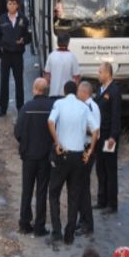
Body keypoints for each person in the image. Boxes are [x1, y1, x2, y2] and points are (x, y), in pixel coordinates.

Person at [47, 81, 98, 244]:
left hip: (63, 154)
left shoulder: (59, 103)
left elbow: (50, 122)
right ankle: (69, 233)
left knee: (54, 192)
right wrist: (90, 151)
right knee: (74, 195)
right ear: (76, 91)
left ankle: (56, 231)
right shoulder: (83, 107)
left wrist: (57, 142)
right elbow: (95, 130)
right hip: (78, 156)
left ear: (63, 91)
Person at [14, 78, 54, 236]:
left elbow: (18, 132)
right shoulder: (52, 108)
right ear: (46, 90)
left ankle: (24, 222)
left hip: (29, 156)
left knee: (27, 189)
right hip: (45, 156)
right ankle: (39, 226)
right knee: (42, 191)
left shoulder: (26, 108)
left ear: (35, 89)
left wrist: (25, 145)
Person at [0, 0, 31, 116]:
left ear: (17, 5)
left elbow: (29, 36)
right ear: (6, 5)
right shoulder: (1, 19)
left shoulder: (23, 19)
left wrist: (24, 40)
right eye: (9, 4)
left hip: (17, 55)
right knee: (3, 82)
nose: (11, 6)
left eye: (14, 4)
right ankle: (2, 108)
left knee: (19, 81)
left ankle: (20, 107)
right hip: (5, 55)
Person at [95, 62, 121, 215]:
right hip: (100, 136)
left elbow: (116, 116)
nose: (98, 75)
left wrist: (113, 136)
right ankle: (101, 199)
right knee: (100, 168)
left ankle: (112, 203)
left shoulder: (114, 91)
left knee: (110, 169)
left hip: (109, 137)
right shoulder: (101, 90)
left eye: (99, 72)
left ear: (107, 74)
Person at [76, 81, 100, 236]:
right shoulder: (89, 106)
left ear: (85, 93)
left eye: (78, 91)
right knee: (81, 186)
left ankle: (87, 223)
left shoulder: (89, 107)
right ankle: (83, 220)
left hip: (87, 149)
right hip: (86, 149)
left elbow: (94, 131)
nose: (77, 94)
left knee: (83, 188)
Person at [44, 32, 80, 97]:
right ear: (68, 42)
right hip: (67, 95)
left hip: (53, 94)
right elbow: (76, 78)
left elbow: (47, 76)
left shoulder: (51, 56)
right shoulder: (72, 57)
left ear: (57, 42)